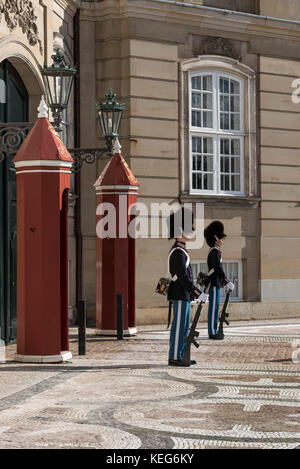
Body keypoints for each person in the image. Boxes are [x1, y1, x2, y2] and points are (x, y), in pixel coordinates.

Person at [167, 208, 208, 367]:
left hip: (183, 294)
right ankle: (174, 356)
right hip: (179, 293)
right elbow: (183, 277)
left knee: (184, 326)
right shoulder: (178, 252)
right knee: (179, 327)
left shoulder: (182, 251)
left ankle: (182, 354)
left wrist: (194, 292)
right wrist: (197, 292)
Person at [203, 221, 234, 340]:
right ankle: (212, 331)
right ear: (215, 238)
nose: (222, 240)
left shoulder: (215, 250)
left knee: (215, 307)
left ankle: (214, 330)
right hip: (214, 283)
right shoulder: (215, 251)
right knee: (214, 308)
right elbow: (218, 269)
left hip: (216, 282)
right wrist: (226, 281)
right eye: (221, 238)